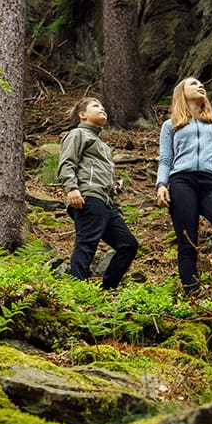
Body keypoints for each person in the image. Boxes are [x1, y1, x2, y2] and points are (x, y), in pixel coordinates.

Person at [155, 77, 212, 305]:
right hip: (182, 182)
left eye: (201, 84)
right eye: (193, 84)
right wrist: (161, 184)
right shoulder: (170, 126)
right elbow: (166, 159)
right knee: (188, 241)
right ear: (181, 94)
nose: (200, 86)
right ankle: (193, 296)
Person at [57, 96, 139, 289]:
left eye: (103, 106)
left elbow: (108, 179)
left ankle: (107, 289)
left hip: (106, 204)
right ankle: (78, 292)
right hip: (88, 197)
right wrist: (72, 188)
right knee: (86, 244)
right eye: (96, 106)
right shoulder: (77, 134)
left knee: (128, 245)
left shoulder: (102, 145)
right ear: (82, 115)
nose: (102, 109)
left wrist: (115, 206)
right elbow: (67, 163)